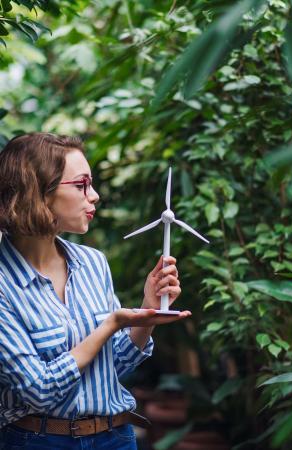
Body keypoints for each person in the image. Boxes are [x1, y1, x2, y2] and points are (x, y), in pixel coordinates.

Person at [0, 132, 191, 450]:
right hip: (38, 441)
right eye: (81, 185)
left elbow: (112, 366)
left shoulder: (92, 263)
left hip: (115, 438)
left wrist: (147, 310)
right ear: (39, 192)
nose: (95, 195)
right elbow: (37, 389)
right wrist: (110, 324)